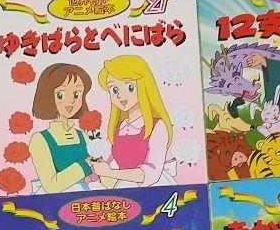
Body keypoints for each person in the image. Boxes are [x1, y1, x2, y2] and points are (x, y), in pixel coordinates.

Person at [94, 56, 175, 186]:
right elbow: (104, 158)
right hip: (125, 185)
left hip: (152, 187)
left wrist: (110, 173)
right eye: (114, 89)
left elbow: (151, 173)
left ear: (144, 86)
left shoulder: (157, 126)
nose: (120, 95)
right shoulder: (118, 127)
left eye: (130, 87)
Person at [27, 63, 96, 193]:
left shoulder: (83, 136)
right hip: (58, 200)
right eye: (61, 94)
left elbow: (98, 172)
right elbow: (51, 186)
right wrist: (84, 165)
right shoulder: (39, 140)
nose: (71, 101)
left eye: (77, 94)